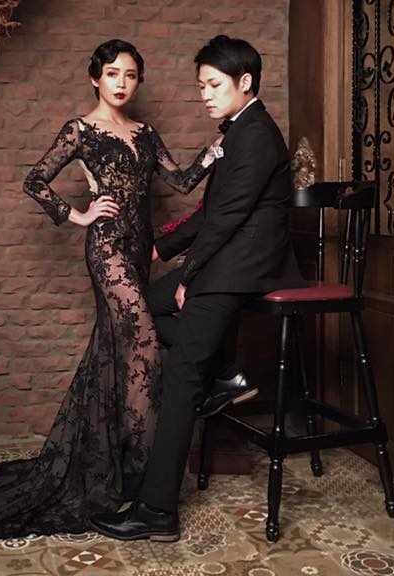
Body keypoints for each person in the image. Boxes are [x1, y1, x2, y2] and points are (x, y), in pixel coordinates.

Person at [0, 38, 219, 539]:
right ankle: (145, 477)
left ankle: (121, 469)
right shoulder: (81, 130)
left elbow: (182, 181)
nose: (122, 83)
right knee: (146, 346)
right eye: (112, 74)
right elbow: (35, 180)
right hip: (106, 250)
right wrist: (78, 214)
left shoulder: (146, 133)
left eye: (130, 75)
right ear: (95, 78)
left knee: (122, 354)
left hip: (139, 251)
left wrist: (217, 151)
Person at [91, 34, 305, 543]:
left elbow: (226, 218)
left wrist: (189, 276)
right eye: (201, 86)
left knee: (183, 374)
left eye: (213, 85)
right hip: (225, 262)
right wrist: (161, 249)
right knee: (139, 308)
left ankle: (156, 511)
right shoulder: (240, 130)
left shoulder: (256, 135)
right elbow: (212, 212)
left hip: (242, 268)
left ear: (245, 82)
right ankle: (224, 374)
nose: (204, 95)